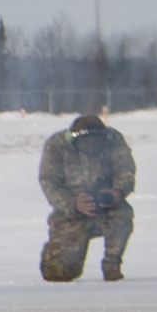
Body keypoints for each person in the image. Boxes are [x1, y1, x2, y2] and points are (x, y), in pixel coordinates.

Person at [38, 107, 136, 283]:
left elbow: (126, 172)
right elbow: (48, 182)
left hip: (107, 209)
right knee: (58, 273)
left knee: (123, 213)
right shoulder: (57, 145)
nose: (91, 143)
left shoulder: (114, 140)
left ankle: (111, 263)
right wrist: (73, 203)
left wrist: (117, 192)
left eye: (96, 139)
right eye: (86, 140)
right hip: (71, 212)